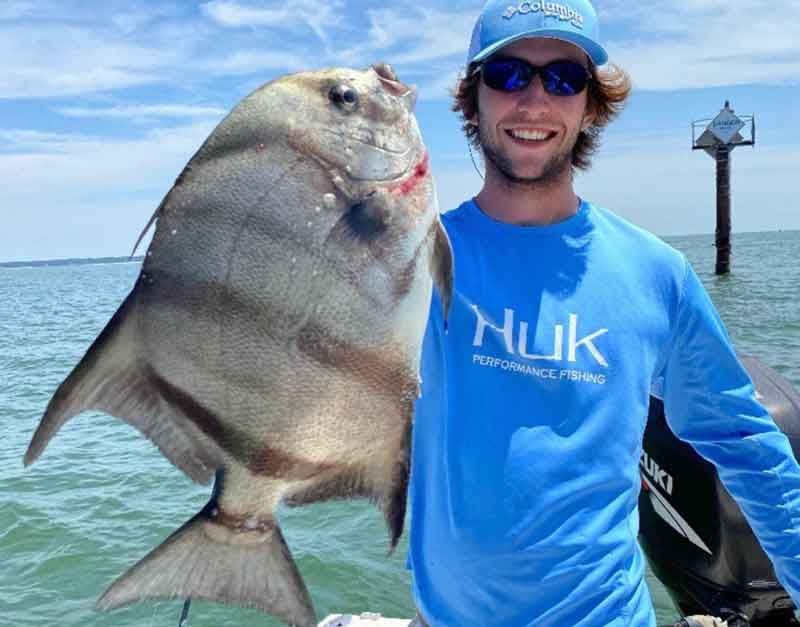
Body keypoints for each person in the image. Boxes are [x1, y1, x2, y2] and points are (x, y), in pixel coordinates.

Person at [406, 0, 800, 625]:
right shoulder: (409, 262)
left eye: (563, 78)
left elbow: (746, 443)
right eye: (508, 74)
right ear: (472, 97)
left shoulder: (657, 274)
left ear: (591, 105)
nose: (533, 101)